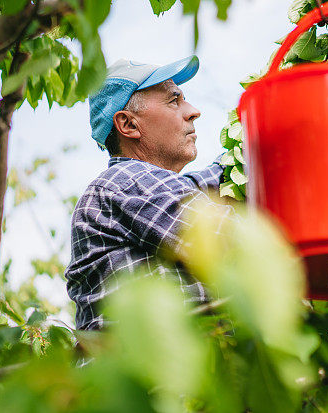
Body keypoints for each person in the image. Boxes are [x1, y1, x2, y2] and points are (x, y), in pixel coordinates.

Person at [65, 57, 225, 331]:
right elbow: (234, 239)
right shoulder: (122, 183)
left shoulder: (158, 190)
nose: (193, 111)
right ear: (128, 125)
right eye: (174, 100)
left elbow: (219, 177)